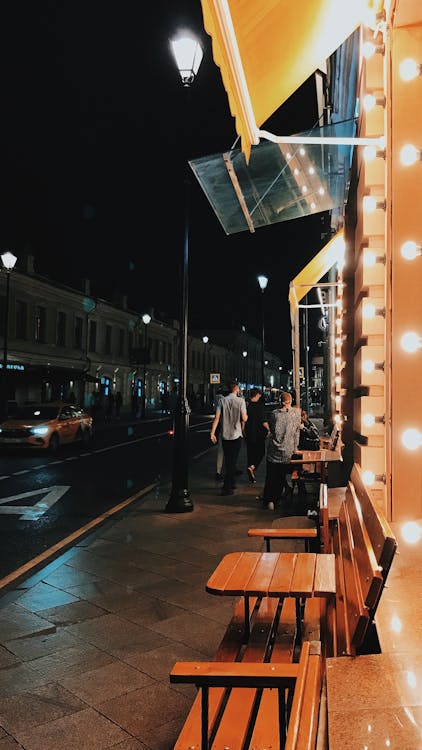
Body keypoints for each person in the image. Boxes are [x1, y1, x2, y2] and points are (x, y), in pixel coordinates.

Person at [261, 391, 301, 511]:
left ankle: (270, 501)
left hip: (274, 450)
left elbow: (272, 429)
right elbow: (296, 432)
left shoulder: (274, 414)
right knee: (281, 476)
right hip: (288, 452)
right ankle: (278, 498)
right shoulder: (296, 414)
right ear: (291, 401)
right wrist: (295, 447)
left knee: (271, 476)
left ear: (280, 401)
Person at [210, 381, 247, 496]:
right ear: (236, 389)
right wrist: (245, 417)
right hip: (236, 434)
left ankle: (232, 482)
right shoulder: (241, 401)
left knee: (228, 459)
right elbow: (244, 418)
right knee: (233, 460)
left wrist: (212, 433)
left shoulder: (222, 400)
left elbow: (216, 418)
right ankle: (227, 487)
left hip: (225, 434)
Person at [244, 388, 267, 483]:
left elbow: (243, 419)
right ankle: (253, 467)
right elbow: (263, 421)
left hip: (249, 433)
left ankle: (251, 476)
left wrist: (243, 430)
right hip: (259, 434)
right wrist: (269, 430)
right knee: (261, 452)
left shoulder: (247, 406)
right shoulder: (260, 406)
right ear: (257, 395)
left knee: (250, 454)